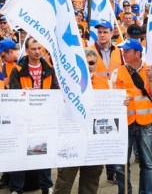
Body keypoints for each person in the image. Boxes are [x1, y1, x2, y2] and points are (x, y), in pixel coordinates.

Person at [111, 38, 152, 194]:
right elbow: (110, 98)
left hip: (145, 124)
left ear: (138, 53)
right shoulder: (117, 72)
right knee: (121, 164)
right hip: (124, 124)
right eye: (123, 51)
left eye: (127, 51)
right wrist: (119, 101)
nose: (123, 53)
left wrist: (151, 79)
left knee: (147, 163)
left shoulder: (151, 70)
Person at [7, 37, 58, 194]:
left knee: (43, 151)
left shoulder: (49, 69)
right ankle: (17, 188)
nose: (37, 52)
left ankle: (46, 186)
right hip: (24, 118)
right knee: (20, 152)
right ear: (27, 51)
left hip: (43, 117)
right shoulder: (17, 70)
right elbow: (13, 94)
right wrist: (24, 95)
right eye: (34, 49)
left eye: (39, 48)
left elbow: (55, 91)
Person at [53, 48, 104, 194]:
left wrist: (121, 102)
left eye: (92, 63)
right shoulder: (66, 85)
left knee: (91, 181)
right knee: (64, 181)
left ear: (96, 64)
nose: (89, 66)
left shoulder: (105, 84)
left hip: (94, 141)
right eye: (85, 63)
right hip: (72, 140)